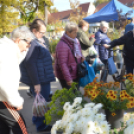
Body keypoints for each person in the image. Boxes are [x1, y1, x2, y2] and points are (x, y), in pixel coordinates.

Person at [20, 19, 55, 132]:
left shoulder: (36, 40)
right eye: (42, 32)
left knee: (38, 101)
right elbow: (30, 63)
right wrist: (36, 83)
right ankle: (41, 125)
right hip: (40, 78)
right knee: (42, 102)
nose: (43, 35)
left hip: (41, 76)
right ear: (34, 30)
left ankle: (36, 119)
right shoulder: (33, 43)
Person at [0, 26, 34, 134]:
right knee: (20, 127)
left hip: (3, 97)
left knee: (3, 129)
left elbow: (16, 59)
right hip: (3, 98)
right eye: (28, 43)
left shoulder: (7, 48)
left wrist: (23, 50)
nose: (28, 47)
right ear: (19, 40)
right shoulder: (6, 52)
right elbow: (3, 81)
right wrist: (15, 101)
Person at [55, 22, 84, 89]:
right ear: (68, 32)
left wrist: (81, 56)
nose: (76, 35)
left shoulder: (75, 41)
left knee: (76, 94)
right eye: (74, 32)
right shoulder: (62, 45)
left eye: (76, 32)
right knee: (70, 97)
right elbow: (62, 64)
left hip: (75, 72)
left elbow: (78, 52)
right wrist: (68, 79)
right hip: (67, 76)